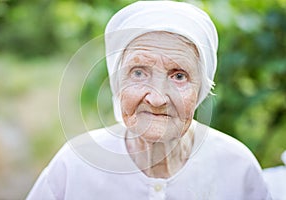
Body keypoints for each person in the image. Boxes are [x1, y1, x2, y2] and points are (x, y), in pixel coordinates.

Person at [27, 1, 271, 199]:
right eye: (139, 73)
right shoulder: (75, 166)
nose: (156, 98)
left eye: (178, 75)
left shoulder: (238, 167)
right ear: (118, 83)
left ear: (201, 89)